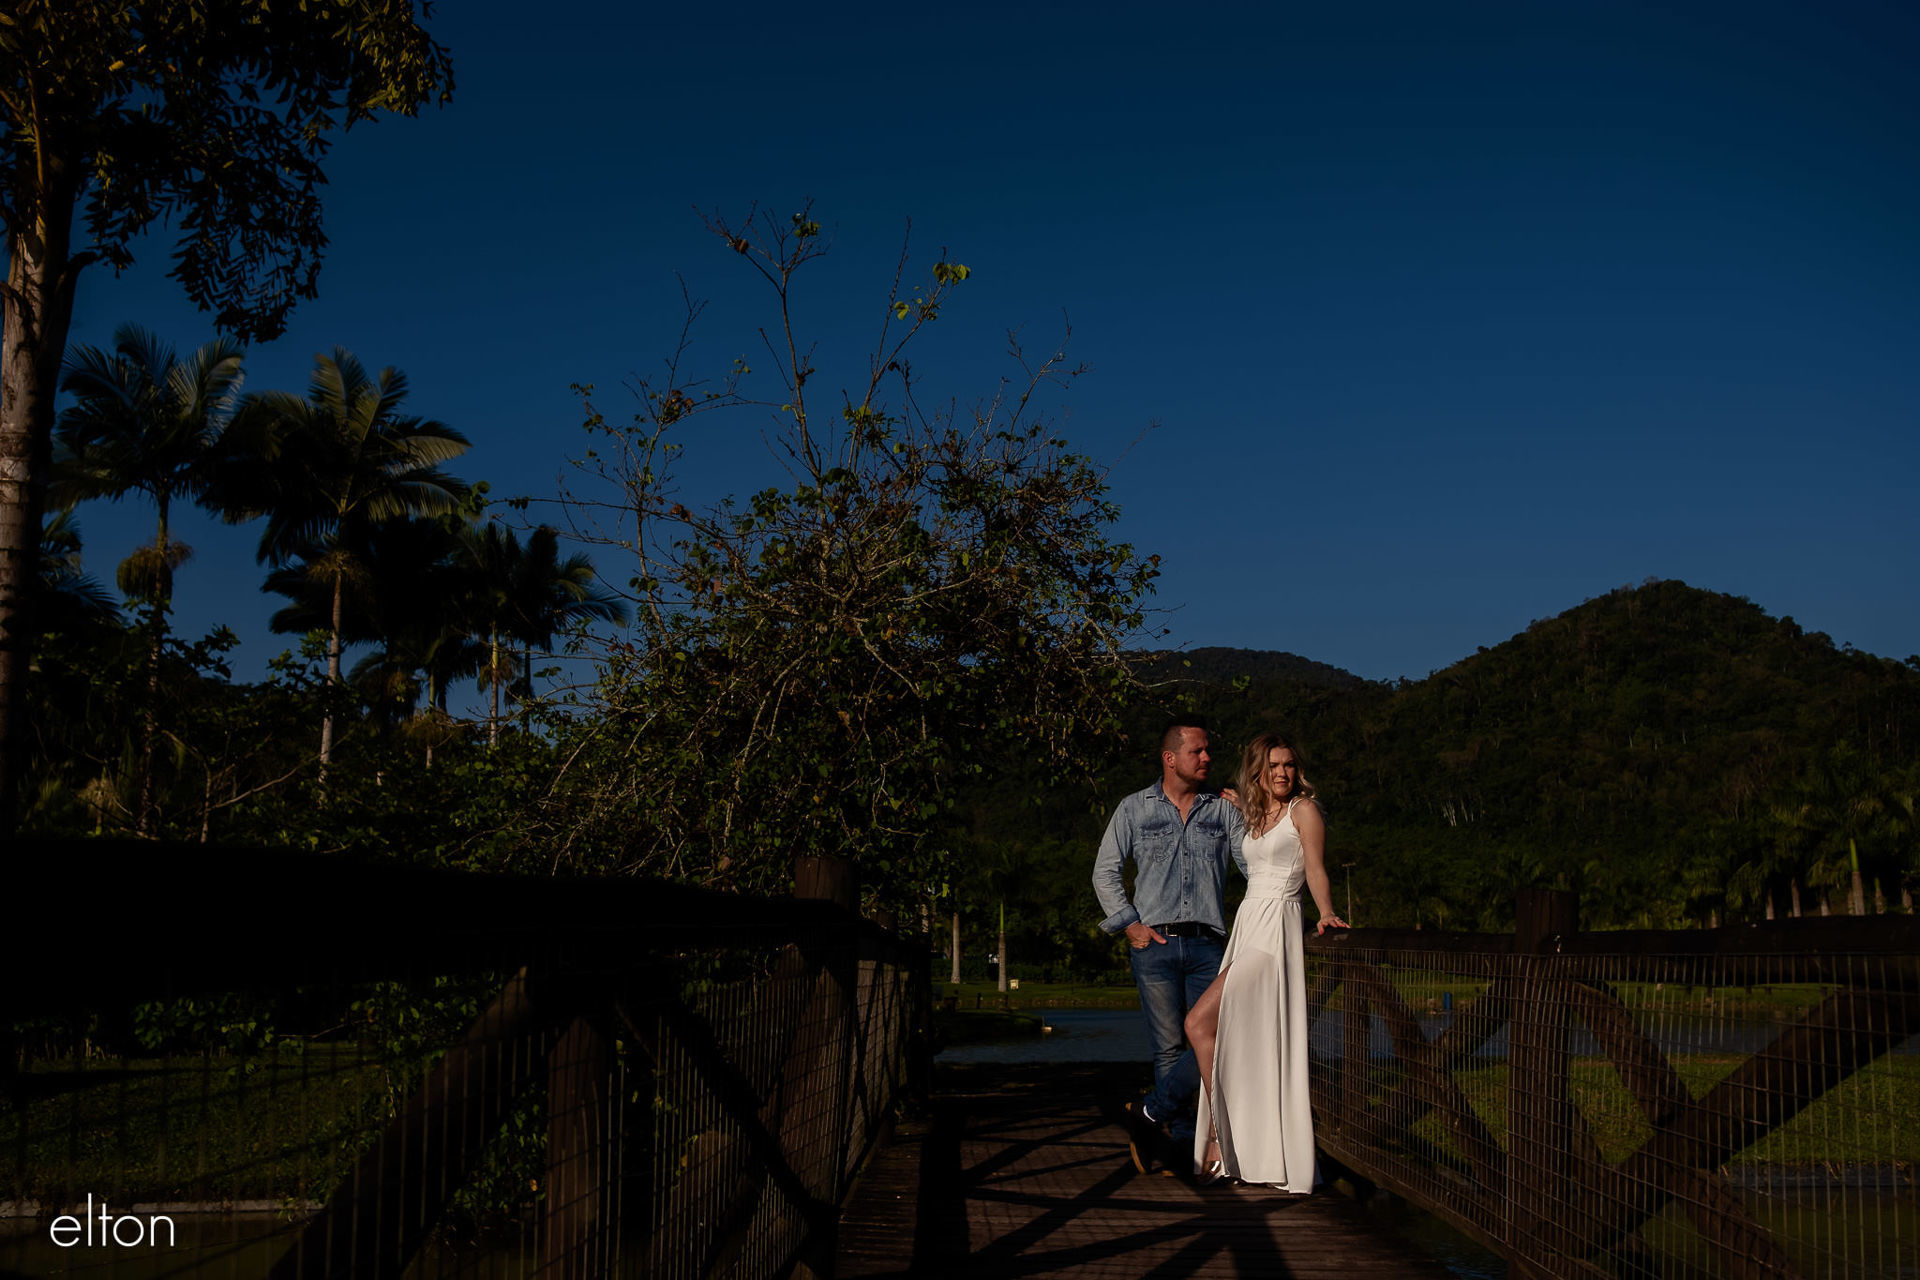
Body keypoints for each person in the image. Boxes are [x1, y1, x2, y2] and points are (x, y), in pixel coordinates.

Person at [1182, 732, 1345, 1189]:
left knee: (1199, 1023)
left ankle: (1219, 1139)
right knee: (1238, 1038)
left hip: (1275, 928)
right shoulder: (1257, 814)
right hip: (1248, 921)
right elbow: (1254, 856)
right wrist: (1241, 807)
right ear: (1258, 771)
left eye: (1290, 765)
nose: (1283, 773)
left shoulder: (1303, 810)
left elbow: (1314, 867)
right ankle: (1236, 1146)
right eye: (1274, 766)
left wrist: (1327, 912)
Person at [1091, 716, 1247, 1173]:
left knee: (1212, 1042)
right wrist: (1131, 926)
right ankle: (1183, 1145)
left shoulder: (1222, 810)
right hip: (1154, 945)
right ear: (1170, 757)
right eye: (1197, 751)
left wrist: (1251, 813)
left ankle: (1148, 1114)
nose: (1206, 758)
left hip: (1208, 946)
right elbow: (1105, 871)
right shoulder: (1134, 809)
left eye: (1206, 750)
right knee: (1166, 1048)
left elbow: (1252, 863)